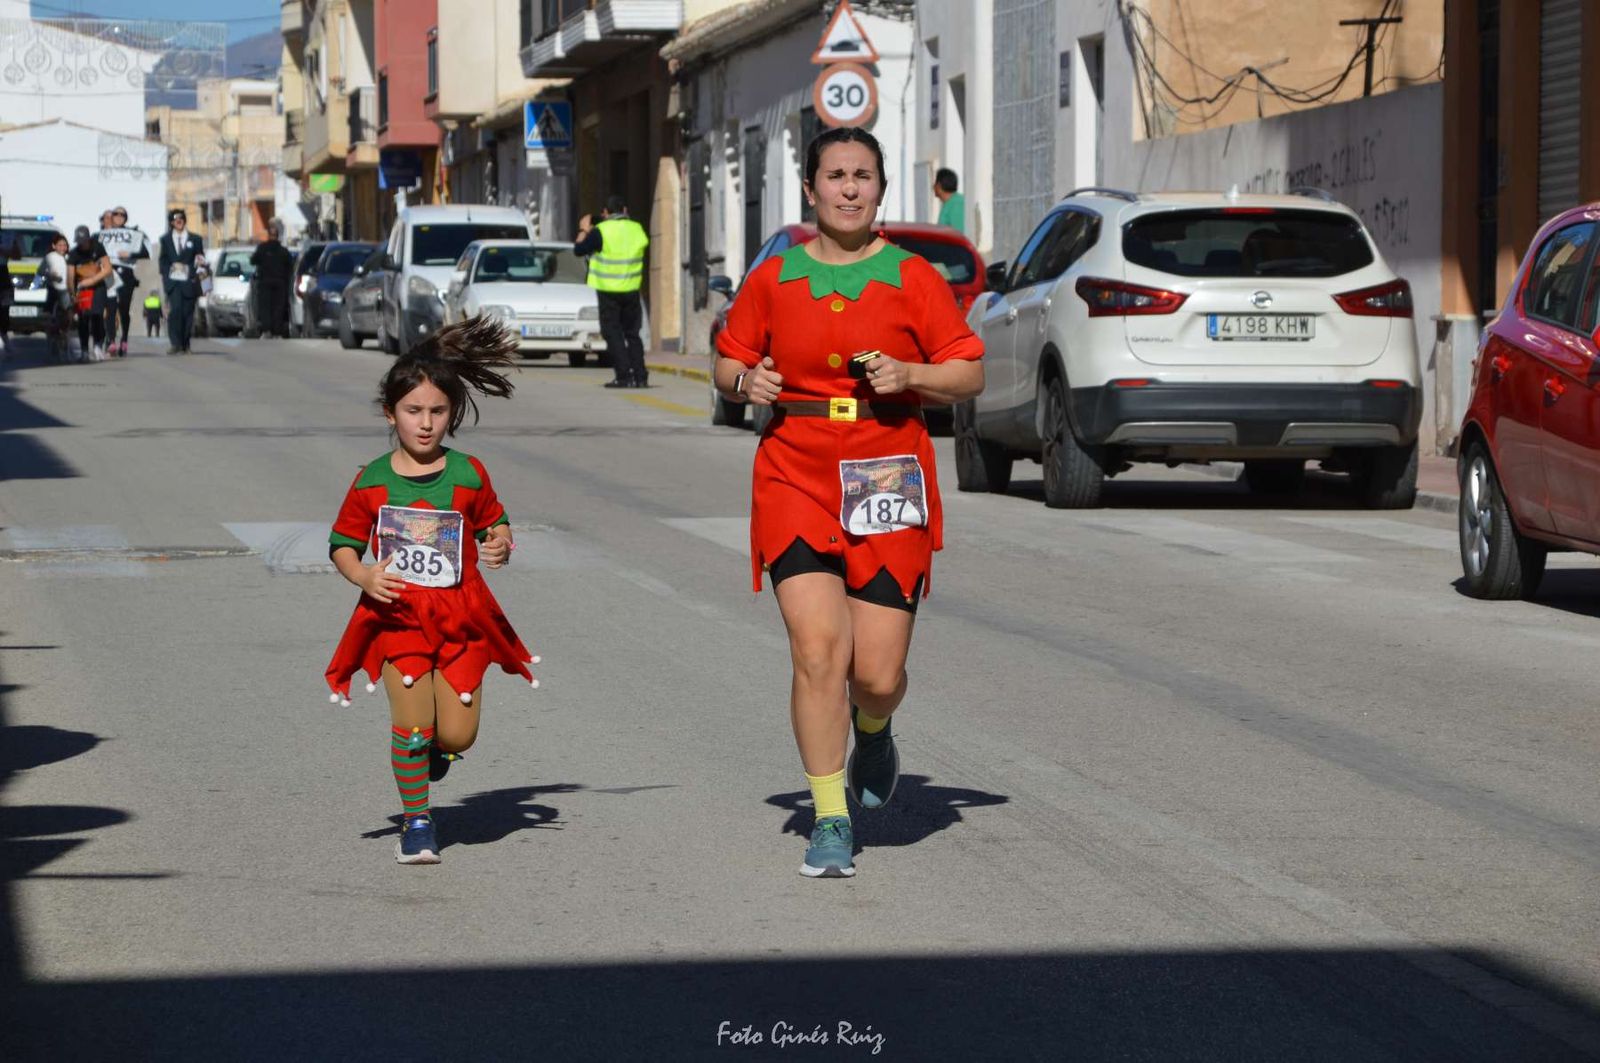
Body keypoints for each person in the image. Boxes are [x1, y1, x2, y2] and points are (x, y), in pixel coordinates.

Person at [713, 127, 985, 878]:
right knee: (817, 650)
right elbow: (728, 359)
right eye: (835, 174)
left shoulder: (913, 277)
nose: (849, 187)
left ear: (882, 187)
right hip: (794, 469)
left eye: (863, 174)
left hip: (887, 470)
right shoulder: (775, 277)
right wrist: (745, 383)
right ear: (811, 188)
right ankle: (830, 817)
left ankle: (874, 724)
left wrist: (912, 374)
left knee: (876, 671)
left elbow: (969, 373)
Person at [324, 314, 539, 865]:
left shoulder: (468, 473)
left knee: (459, 734)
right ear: (389, 413)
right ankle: (418, 823)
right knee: (412, 722)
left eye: (437, 412)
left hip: (462, 617)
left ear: (453, 412)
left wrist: (500, 544)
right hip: (398, 616)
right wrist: (364, 575)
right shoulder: (372, 479)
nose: (425, 424)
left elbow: (496, 522)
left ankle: (438, 753)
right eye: (412, 411)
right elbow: (343, 543)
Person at [574, 194, 649, 388]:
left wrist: (584, 229)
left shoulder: (601, 231)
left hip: (608, 291)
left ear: (605, 213)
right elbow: (642, 244)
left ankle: (623, 376)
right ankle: (640, 376)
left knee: (612, 333)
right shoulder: (637, 229)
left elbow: (579, 250)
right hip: (631, 289)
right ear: (624, 210)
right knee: (633, 334)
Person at [98, 206, 151, 357]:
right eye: (116, 214)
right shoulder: (103, 234)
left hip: (126, 272)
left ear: (126, 218)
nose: (119, 217)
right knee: (110, 306)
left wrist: (131, 253)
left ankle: (125, 339)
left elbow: (146, 252)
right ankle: (111, 340)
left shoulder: (132, 234)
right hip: (109, 271)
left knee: (123, 308)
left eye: (122, 215)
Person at [159, 208, 204, 354]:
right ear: (171, 222)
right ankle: (175, 343)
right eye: (176, 220)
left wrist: (195, 267)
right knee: (176, 311)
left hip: (189, 281)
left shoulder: (195, 239)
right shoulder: (165, 240)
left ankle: (186, 343)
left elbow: (200, 259)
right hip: (173, 282)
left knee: (188, 313)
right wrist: (167, 274)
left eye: (181, 219)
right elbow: (163, 260)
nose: (179, 222)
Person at [67, 225, 113, 362]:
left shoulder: (97, 247)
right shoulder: (74, 254)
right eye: (80, 242)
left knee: (98, 315)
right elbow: (70, 276)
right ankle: (84, 350)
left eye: (84, 241)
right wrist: (72, 294)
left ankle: (98, 346)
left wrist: (92, 280)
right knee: (83, 318)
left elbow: (108, 269)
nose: (82, 244)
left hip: (98, 285)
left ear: (89, 239)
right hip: (81, 288)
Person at [250, 219, 295, 338]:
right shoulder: (283, 251)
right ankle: (277, 331)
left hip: (265, 282)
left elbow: (253, 260)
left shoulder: (262, 248)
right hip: (280, 283)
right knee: (278, 307)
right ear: (278, 236)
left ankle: (267, 330)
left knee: (265, 307)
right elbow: (291, 266)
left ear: (269, 235)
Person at [39, 231, 73, 362]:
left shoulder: (70, 257)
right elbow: (40, 271)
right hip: (53, 289)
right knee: (50, 318)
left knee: (66, 320)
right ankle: (51, 341)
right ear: (54, 246)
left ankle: (65, 348)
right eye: (60, 245)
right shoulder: (49, 257)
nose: (62, 247)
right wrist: (50, 275)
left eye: (64, 245)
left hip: (66, 290)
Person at [933, 168, 965, 234]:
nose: (933, 186)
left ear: (939, 186)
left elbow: (959, 234)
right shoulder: (950, 202)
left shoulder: (957, 204)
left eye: (935, 183)